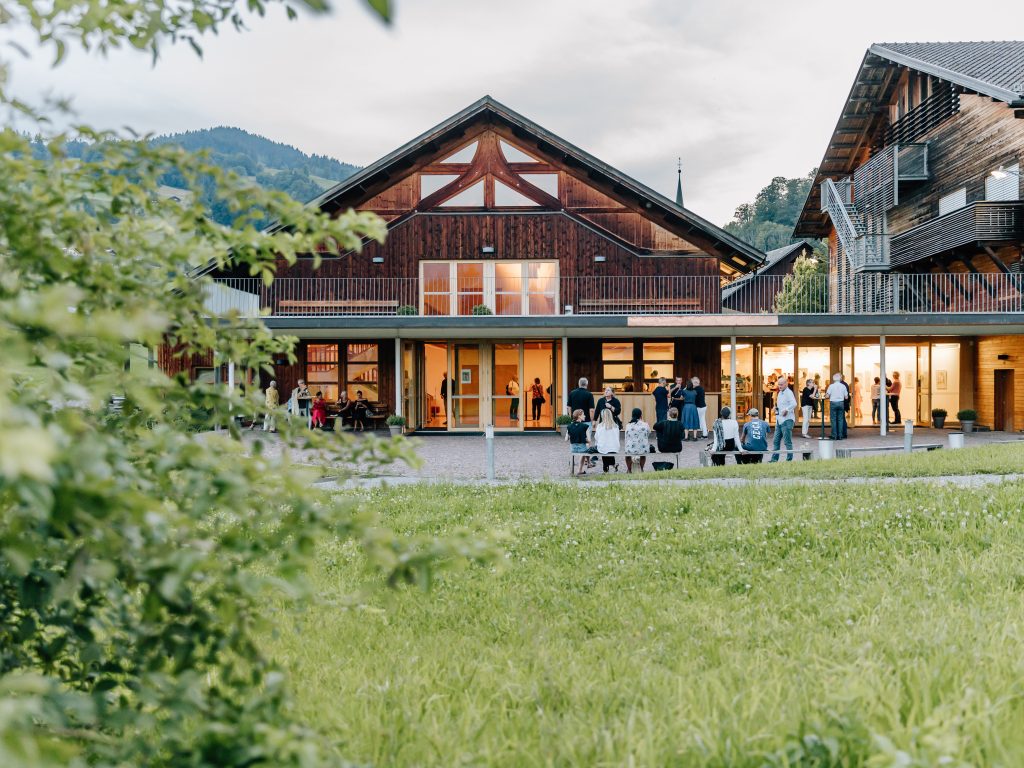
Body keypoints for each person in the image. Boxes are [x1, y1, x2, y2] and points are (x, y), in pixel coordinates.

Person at [769, 376, 797, 462]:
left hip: (787, 420)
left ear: (786, 384)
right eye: (779, 384)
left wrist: (787, 410)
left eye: (781, 384)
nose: (779, 386)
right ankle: (774, 459)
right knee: (776, 440)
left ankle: (789, 460)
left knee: (787, 441)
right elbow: (780, 405)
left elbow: (794, 403)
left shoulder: (789, 392)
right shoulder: (780, 392)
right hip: (779, 420)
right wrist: (775, 408)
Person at [624, 407, 651, 474]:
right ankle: (641, 468)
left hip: (630, 449)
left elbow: (626, 437)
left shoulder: (628, 425)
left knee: (627, 456)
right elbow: (648, 433)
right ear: (641, 415)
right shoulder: (645, 424)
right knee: (643, 455)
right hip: (643, 449)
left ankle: (629, 470)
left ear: (632, 415)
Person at [565, 409, 591, 476]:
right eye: (583, 415)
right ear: (579, 416)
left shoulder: (569, 426)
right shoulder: (585, 426)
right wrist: (583, 439)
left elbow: (566, 439)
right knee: (587, 447)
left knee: (585, 449)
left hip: (573, 449)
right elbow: (589, 440)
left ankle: (588, 464)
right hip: (582, 448)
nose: (585, 416)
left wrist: (573, 436)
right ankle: (586, 465)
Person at [825, 373, 847, 441]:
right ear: (840, 379)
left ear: (833, 379)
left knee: (833, 419)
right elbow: (846, 397)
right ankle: (840, 435)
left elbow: (827, 396)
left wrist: (826, 395)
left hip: (833, 403)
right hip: (841, 403)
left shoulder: (831, 386)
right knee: (840, 419)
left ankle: (834, 435)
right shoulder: (843, 386)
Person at [840, 374, 851, 439]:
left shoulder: (842, 385)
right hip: (844, 403)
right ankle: (844, 433)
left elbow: (846, 396)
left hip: (842, 403)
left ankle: (842, 433)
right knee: (842, 418)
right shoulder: (845, 384)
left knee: (841, 419)